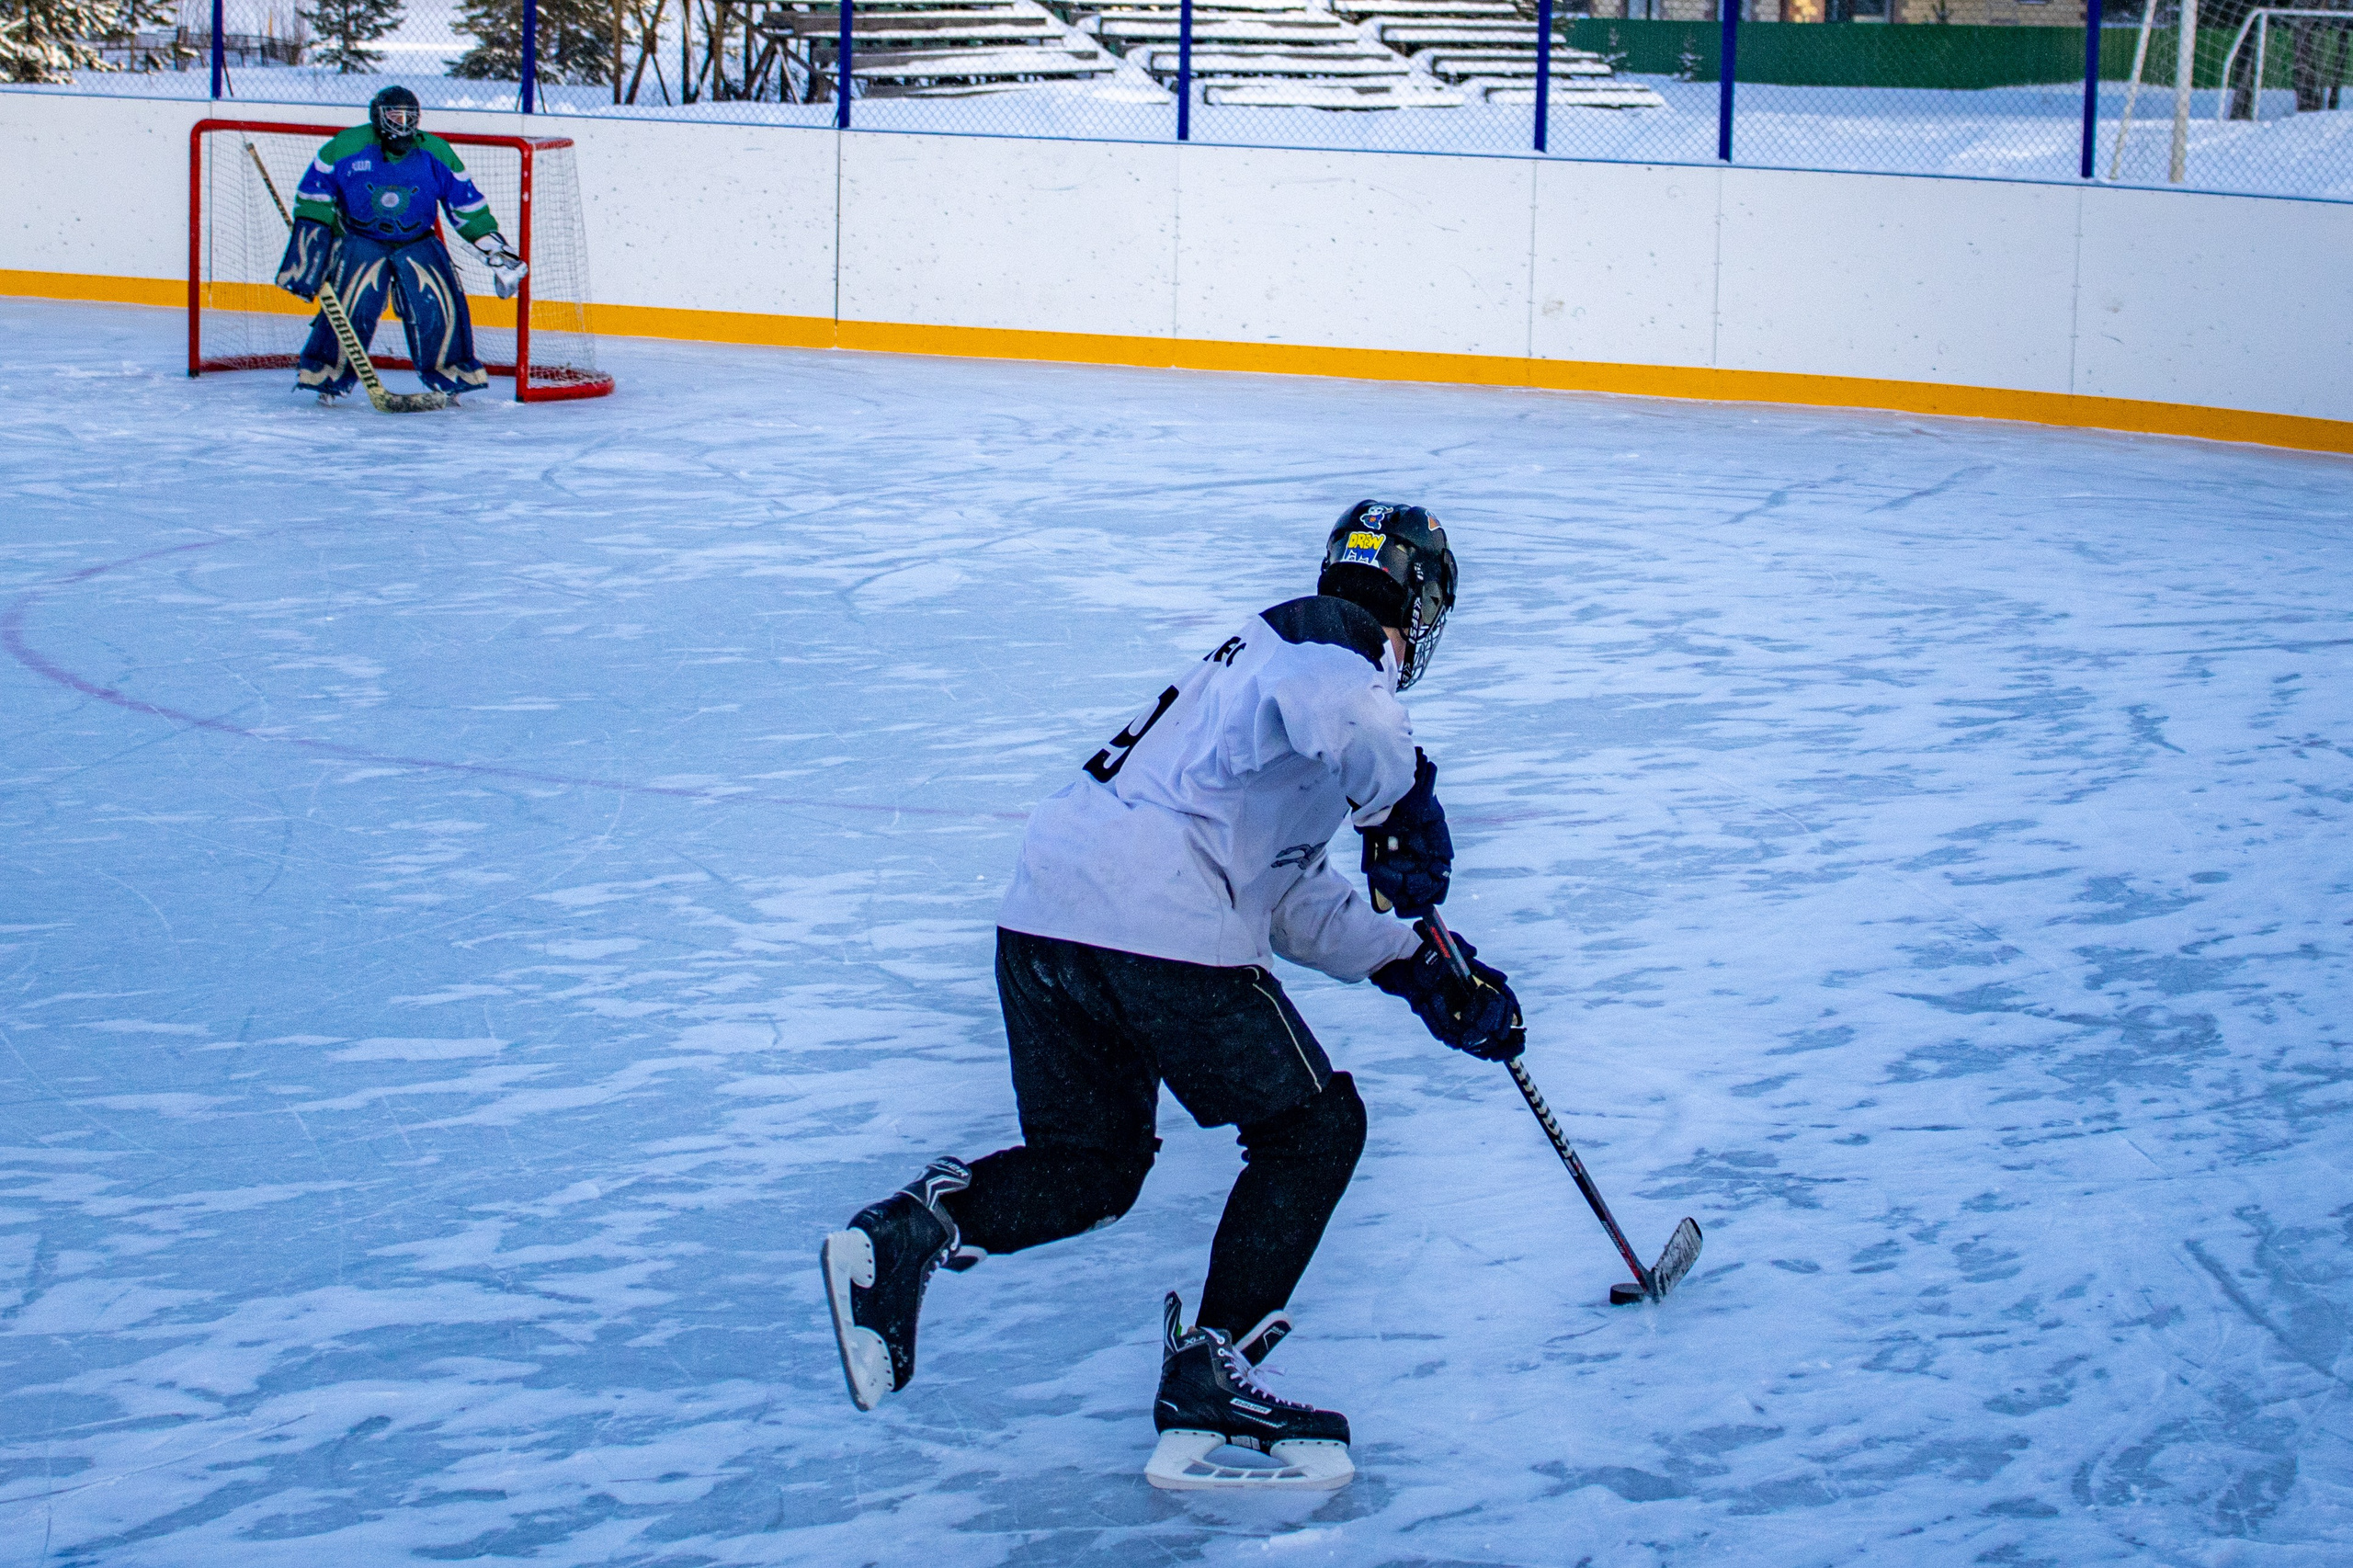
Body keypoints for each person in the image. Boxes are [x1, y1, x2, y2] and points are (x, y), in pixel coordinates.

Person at [821, 502, 1527, 1492]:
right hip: (1157, 917)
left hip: (1046, 914)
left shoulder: (1259, 678)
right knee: (1315, 1128)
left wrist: (1413, 964)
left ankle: (903, 1236)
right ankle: (1210, 1372)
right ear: (1420, 602)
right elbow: (1362, 721)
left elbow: (1286, 890)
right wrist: (1405, 810)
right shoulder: (1333, 643)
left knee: (1092, 1168)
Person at [273, 85, 529, 403]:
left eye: (409, 116)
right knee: (351, 306)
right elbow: (314, 194)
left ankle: (452, 375)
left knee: (439, 305)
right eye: (395, 116)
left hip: (417, 240)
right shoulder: (346, 146)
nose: (403, 124)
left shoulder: (436, 152)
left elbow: (465, 205)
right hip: (361, 240)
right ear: (377, 116)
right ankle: (326, 375)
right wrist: (313, 248)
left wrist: (492, 246)